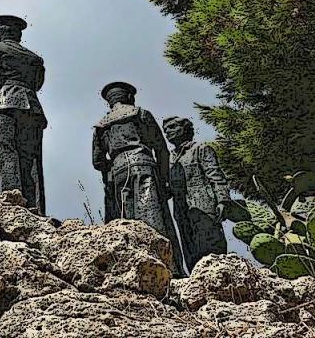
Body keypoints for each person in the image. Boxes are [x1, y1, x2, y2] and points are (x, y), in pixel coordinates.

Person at [92, 82, 185, 277]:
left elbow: (97, 161)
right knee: (155, 216)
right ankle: (169, 268)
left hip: (118, 172)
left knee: (125, 217)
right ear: (128, 97)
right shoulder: (141, 114)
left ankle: (130, 268)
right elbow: (160, 148)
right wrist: (164, 179)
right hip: (144, 165)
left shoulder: (101, 125)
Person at [0, 15, 47, 214]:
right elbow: (37, 84)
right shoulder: (35, 58)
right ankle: (35, 208)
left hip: (2, 104)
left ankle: (9, 205)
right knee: (31, 159)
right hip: (33, 107)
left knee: (5, 152)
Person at [163, 116, 230, 271]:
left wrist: (223, 200)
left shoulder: (201, 148)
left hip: (204, 206)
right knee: (190, 251)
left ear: (185, 128)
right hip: (181, 211)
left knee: (212, 248)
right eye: (166, 130)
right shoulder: (169, 159)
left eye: (172, 127)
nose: (168, 132)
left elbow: (215, 176)